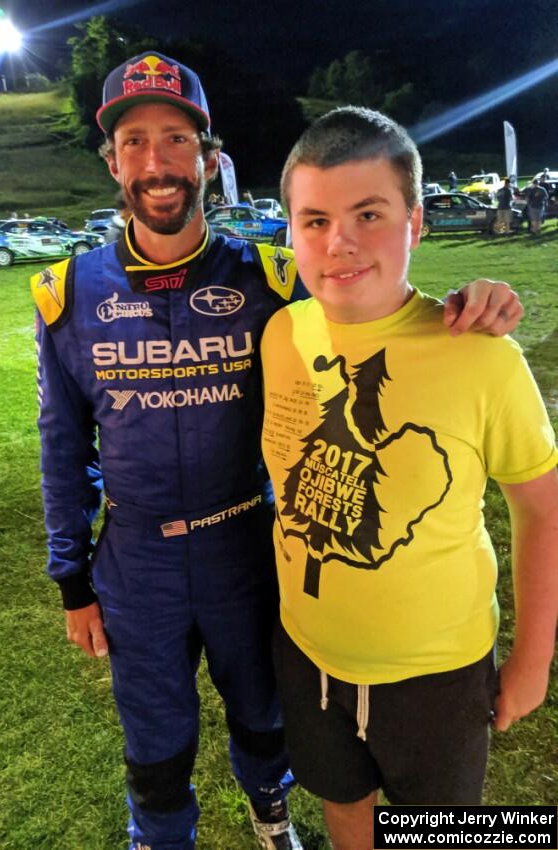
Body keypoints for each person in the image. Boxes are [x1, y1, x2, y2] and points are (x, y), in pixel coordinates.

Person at [31, 51, 524, 850]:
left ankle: (270, 820)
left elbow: (364, 295)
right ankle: (159, 839)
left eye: (176, 140)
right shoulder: (67, 294)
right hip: (137, 559)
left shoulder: (270, 280)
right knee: (155, 740)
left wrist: (467, 302)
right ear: (112, 161)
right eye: (132, 143)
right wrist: (70, 580)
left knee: (268, 719)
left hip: (249, 548)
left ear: (208, 157)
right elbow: (61, 450)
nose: (156, 163)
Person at [260, 107, 558, 850]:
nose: (340, 242)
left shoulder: (481, 355)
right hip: (307, 649)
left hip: (438, 671)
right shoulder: (280, 334)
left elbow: (541, 510)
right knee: (342, 803)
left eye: (369, 213)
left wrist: (530, 659)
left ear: (414, 224)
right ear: (290, 230)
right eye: (315, 219)